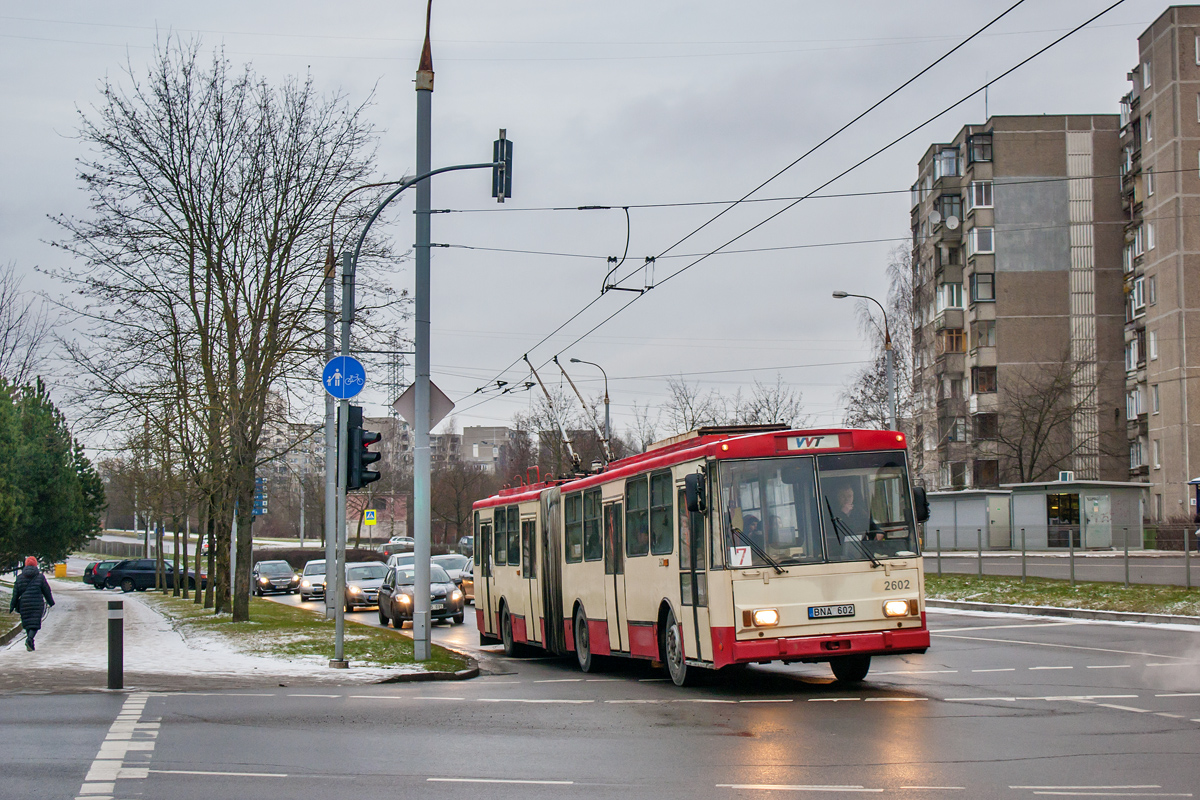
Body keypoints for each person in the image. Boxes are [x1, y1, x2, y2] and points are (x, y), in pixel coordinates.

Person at [9, 556, 54, 651]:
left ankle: (30, 640)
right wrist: (51, 602)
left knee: (27, 622)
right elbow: (47, 590)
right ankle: (30, 639)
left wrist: (12, 606)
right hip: (37, 603)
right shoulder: (40, 577)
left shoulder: (20, 578)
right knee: (35, 623)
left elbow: (15, 593)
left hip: (24, 604)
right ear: (35, 565)